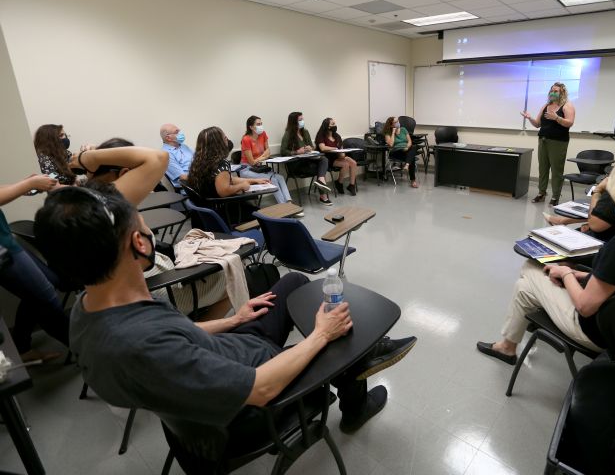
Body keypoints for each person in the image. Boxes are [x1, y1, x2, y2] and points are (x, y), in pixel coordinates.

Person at [33, 147, 417, 437]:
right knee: (337, 331)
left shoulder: (92, 307)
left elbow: (177, 336)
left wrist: (233, 319)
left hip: (229, 351)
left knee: (296, 283)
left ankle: (357, 358)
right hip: (258, 392)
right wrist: (320, 336)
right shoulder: (139, 343)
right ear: (140, 244)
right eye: (144, 224)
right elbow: (262, 389)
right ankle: (356, 397)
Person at [477, 153, 615, 363]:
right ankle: (507, 346)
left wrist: (566, 273)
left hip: (599, 332)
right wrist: (579, 274)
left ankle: (509, 345)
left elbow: (585, 307)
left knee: (531, 267)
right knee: (525, 289)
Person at [88, 138, 232, 319]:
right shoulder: (114, 208)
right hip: (159, 289)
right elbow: (158, 158)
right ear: (125, 173)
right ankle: (195, 336)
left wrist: (89, 159)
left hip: (129, 291)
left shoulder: (86, 204)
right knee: (232, 278)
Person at [0, 174, 69, 362]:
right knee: (47, 298)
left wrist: (24, 183)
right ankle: (85, 350)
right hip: (2, 250)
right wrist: (28, 184)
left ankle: (22, 348)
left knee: (47, 285)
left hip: (5, 241)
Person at [522, 82, 576, 206]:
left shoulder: (567, 106)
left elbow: (570, 123)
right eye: (551, 90)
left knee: (556, 170)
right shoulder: (546, 106)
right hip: (543, 140)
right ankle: (541, 193)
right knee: (543, 168)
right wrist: (529, 118)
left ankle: (555, 196)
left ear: (562, 92)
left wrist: (556, 118)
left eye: (556, 91)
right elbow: (537, 124)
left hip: (558, 142)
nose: (552, 93)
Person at [187, 127, 272, 201]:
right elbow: (224, 191)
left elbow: (229, 179)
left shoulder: (199, 161)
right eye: (225, 138)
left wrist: (255, 181)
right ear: (218, 144)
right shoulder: (221, 164)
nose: (227, 140)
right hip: (220, 210)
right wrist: (241, 186)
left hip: (204, 210)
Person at [239, 115, 297, 209]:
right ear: (251, 127)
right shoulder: (246, 139)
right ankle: (284, 208)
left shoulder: (263, 134)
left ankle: (289, 203)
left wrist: (260, 158)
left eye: (261, 123)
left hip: (258, 168)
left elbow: (268, 151)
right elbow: (252, 162)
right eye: (258, 124)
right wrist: (263, 157)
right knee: (272, 179)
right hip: (247, 170)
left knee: (280, 177)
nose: (261, 126)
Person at [280, 111, 333, 205]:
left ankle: (321, 181)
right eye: (300, 120)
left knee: (324, 159)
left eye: (302, 119)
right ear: (293, 122)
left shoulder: (305, 132)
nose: (302, 121)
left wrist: (310, 148)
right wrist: (296, 152)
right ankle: (323, 195)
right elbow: (283, 151)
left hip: (308, 160)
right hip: (297, 164)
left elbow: (312, 147)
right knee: (321, 168)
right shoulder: (288, 134)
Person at [315, 117, 358, 196]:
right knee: (345, 164)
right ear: (327, 126)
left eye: (335, 123)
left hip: (337, 157)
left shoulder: (337, 136)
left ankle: (352, 185)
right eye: (333, 124)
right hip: (327, 159)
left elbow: (341, 149)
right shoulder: (321, 135)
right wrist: (334, 148)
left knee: (353, 163)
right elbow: (322, 148)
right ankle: (339, 183)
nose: (335, 125)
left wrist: (342, 155)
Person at [382, 116, 419, 188]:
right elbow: (391, 144)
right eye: (395, 122)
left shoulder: (403, 129)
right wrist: (393, 132)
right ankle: (413, 180)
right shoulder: (388, 133)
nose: (398, 123)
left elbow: (409, 141)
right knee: (412, 158)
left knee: (413, 148)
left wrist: (406, 147)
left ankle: (407, 165)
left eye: (398, 121)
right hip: (395, 152)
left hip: (405, 150)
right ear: (391, 125)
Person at [160, 123, 194, 188]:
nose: (181, 133)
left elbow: (199, 159)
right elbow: (183, 177)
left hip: (199, 178)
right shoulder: (166, 155)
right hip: (191, 187)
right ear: (168, 138)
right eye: (177, 132)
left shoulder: (184, 146)